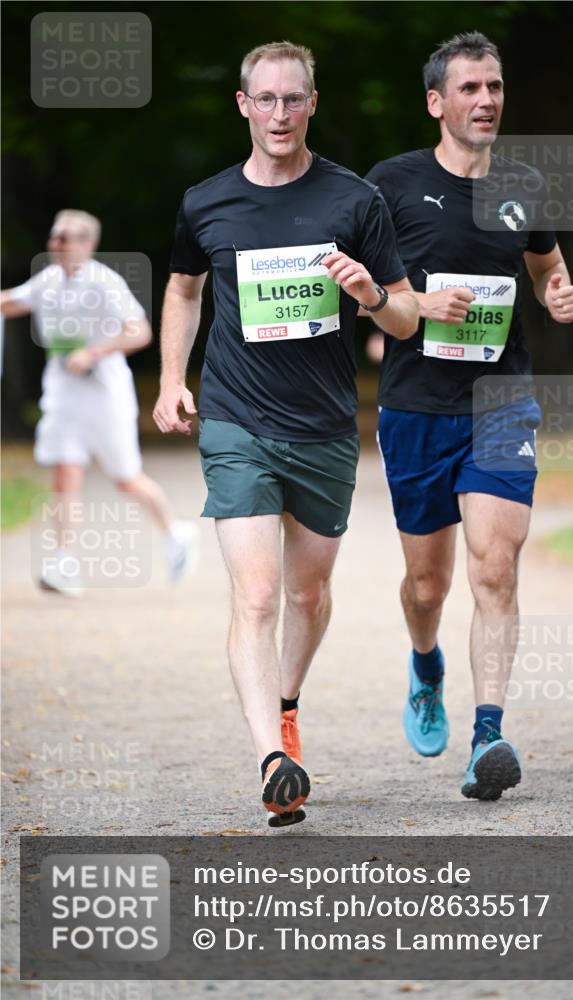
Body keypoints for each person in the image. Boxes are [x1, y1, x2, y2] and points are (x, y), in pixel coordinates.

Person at [153, 41, 418, 825]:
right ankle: (272, 758)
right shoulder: (207, 202)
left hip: (325, 425)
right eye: (263, 100)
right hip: (236, 417)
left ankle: (288, 706)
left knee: (307, 591)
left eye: (291, 100)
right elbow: (181, 289)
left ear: (311, 104)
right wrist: (173, 377)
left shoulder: (354, 200)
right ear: (243, 105)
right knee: (258, 593)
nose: (277, 114)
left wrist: (370, 294)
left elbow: (403, 316)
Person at [366, 32, 573, 801]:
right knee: (427, 585)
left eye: (493, 86)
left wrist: (558, 292)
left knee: (495, 566)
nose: (485, 99)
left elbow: (546, 262)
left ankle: (486, 737)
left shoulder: (522, 183)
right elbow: (359, 288)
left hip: (500, 399)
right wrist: (410, 305)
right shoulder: (389, 185)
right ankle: (426, 666)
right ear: (436, 102)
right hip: (416, 404)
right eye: (468, 89)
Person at [1, 210, 199, 596]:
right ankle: (65, 562)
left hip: (105, 396)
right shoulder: (49, 279)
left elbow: (139, 331)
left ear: (88, 244)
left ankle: (176, 533)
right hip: (62, 396)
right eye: (55, 237)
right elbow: (12, 302)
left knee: (125, 478)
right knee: (65, 474)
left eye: (67, 238)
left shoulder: (104, 283)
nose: (58, 244)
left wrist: (93, 353)